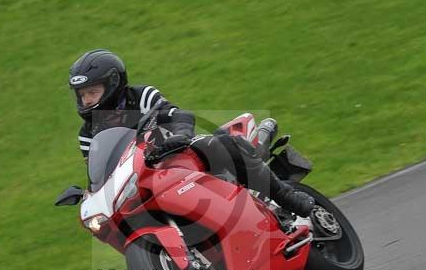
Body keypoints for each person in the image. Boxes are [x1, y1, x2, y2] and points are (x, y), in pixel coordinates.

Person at [69, 49, 317, 221]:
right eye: (82, 94)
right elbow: (99, 171)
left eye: (92, 91)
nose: (86, 99)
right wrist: (89, 194)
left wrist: (181, 135)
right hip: (144, 179)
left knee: (220, 143)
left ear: (112, 84)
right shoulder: (88, 134)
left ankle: (286, 197)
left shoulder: (141, 96)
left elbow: (179, 115)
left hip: (180, 156)